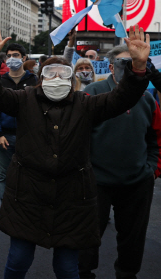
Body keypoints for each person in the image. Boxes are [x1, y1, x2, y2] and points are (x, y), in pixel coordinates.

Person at [0, 22, 151, 279]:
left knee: (67, 267)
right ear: (40, 79)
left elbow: (121, 99)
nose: (56, 79)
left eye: (62, 73)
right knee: (18, 260)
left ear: (71, 79)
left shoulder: (85, 104)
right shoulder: (24, 100)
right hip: (27, 197)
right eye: (50, 73)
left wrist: (137, 68)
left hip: (72, 201)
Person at [77, 44, 161, 279]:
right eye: (126, 63)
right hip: (96, 182)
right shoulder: (93, 92)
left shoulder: (147, 98)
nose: (131, 67)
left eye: (136, 62)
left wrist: (152, 169)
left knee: (133, 238)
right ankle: (83, 273)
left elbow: (156, 138)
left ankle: (127, 273)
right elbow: (77, 136)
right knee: (87, 236)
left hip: (137, 182)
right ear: (112, 67)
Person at [0, 43, 37, 200]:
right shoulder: (0, 81)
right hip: (6, 137)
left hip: (29, 136)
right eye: (8, 56)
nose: (11, 59)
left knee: (29, 174)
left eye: (15, 55)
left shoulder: (34, 80)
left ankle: (24, 212)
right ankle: (6, 210)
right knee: (5, 174)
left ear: (23, 58)